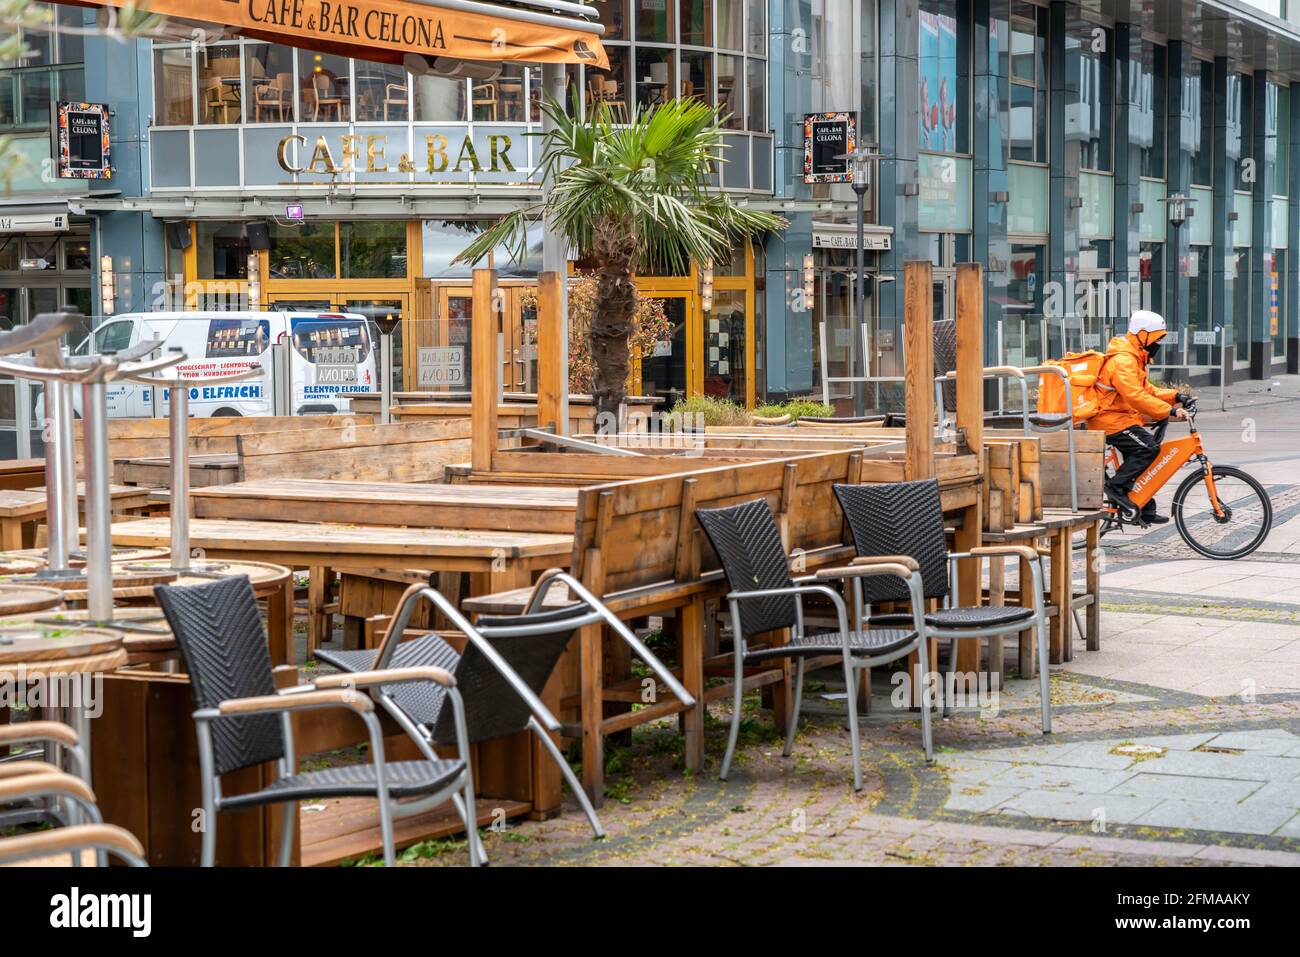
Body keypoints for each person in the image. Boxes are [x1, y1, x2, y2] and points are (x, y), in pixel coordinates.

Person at [1088, 310, 1190, 524]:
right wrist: (1169, 411)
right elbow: (1135, 396)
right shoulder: (1123, 361)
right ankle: (1115, 486)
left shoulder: (1134, 357)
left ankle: (1145, 509)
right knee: (1148, 448)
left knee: (1145, 456)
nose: (1159, 343)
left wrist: (1175, 396)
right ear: (1142, 335)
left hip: (1123, 418)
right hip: (1109, 420)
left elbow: (1147, 391)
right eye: (1156, 338)